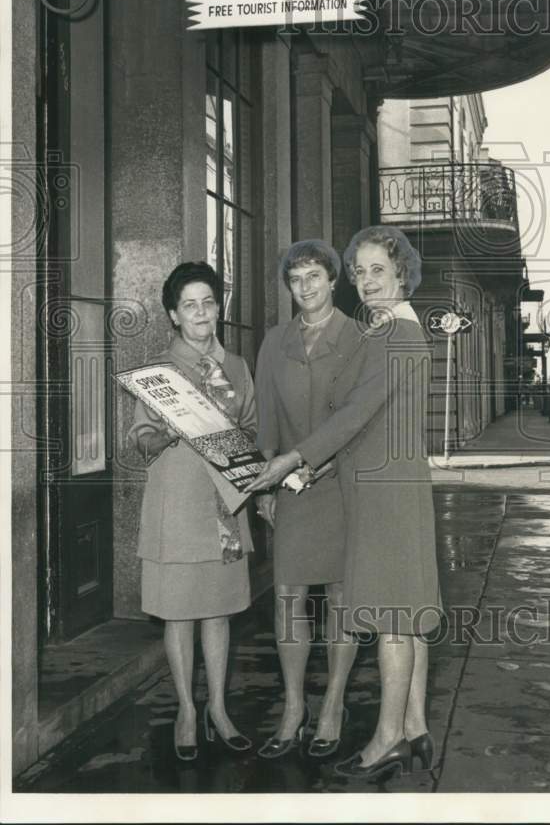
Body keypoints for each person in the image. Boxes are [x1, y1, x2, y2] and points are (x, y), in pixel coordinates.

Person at [248, 226, 442, 781]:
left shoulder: (397, 335)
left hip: (385, 492)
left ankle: (386, 741)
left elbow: (356, 411)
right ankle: (416, 727)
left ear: (402, 272)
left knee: (391, 622)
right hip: (383, 484)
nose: (365, 281)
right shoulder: (387, 329)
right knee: (405, 613)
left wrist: (291, 461)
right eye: (359, 271)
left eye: (377, 270)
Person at [128, 261, 255, 761]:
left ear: (217, 308)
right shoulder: (158, 371)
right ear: (174, 316)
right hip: (176, 502)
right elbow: (140, 440)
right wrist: (168, 430)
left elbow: (254, 428)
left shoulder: (240, 367)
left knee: (219, 612)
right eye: (189, 305)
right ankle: (186, 709)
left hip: (224, 504)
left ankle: (218, 709)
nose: (201, 312)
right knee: (179, 613)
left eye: (208, 302)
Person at [253, 240, 362, 759]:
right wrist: (266, 488)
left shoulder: (358, 337)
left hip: (344, 487)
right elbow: (267, 421)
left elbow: (362, 419)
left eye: (314, 275)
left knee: (342, 600)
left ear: (333, 278)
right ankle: (294, 706)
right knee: (288, 600)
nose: (305, 287)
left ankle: (334, 703)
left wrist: (319, 462)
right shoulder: (274, 342)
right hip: (292, 489)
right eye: (296, 278)